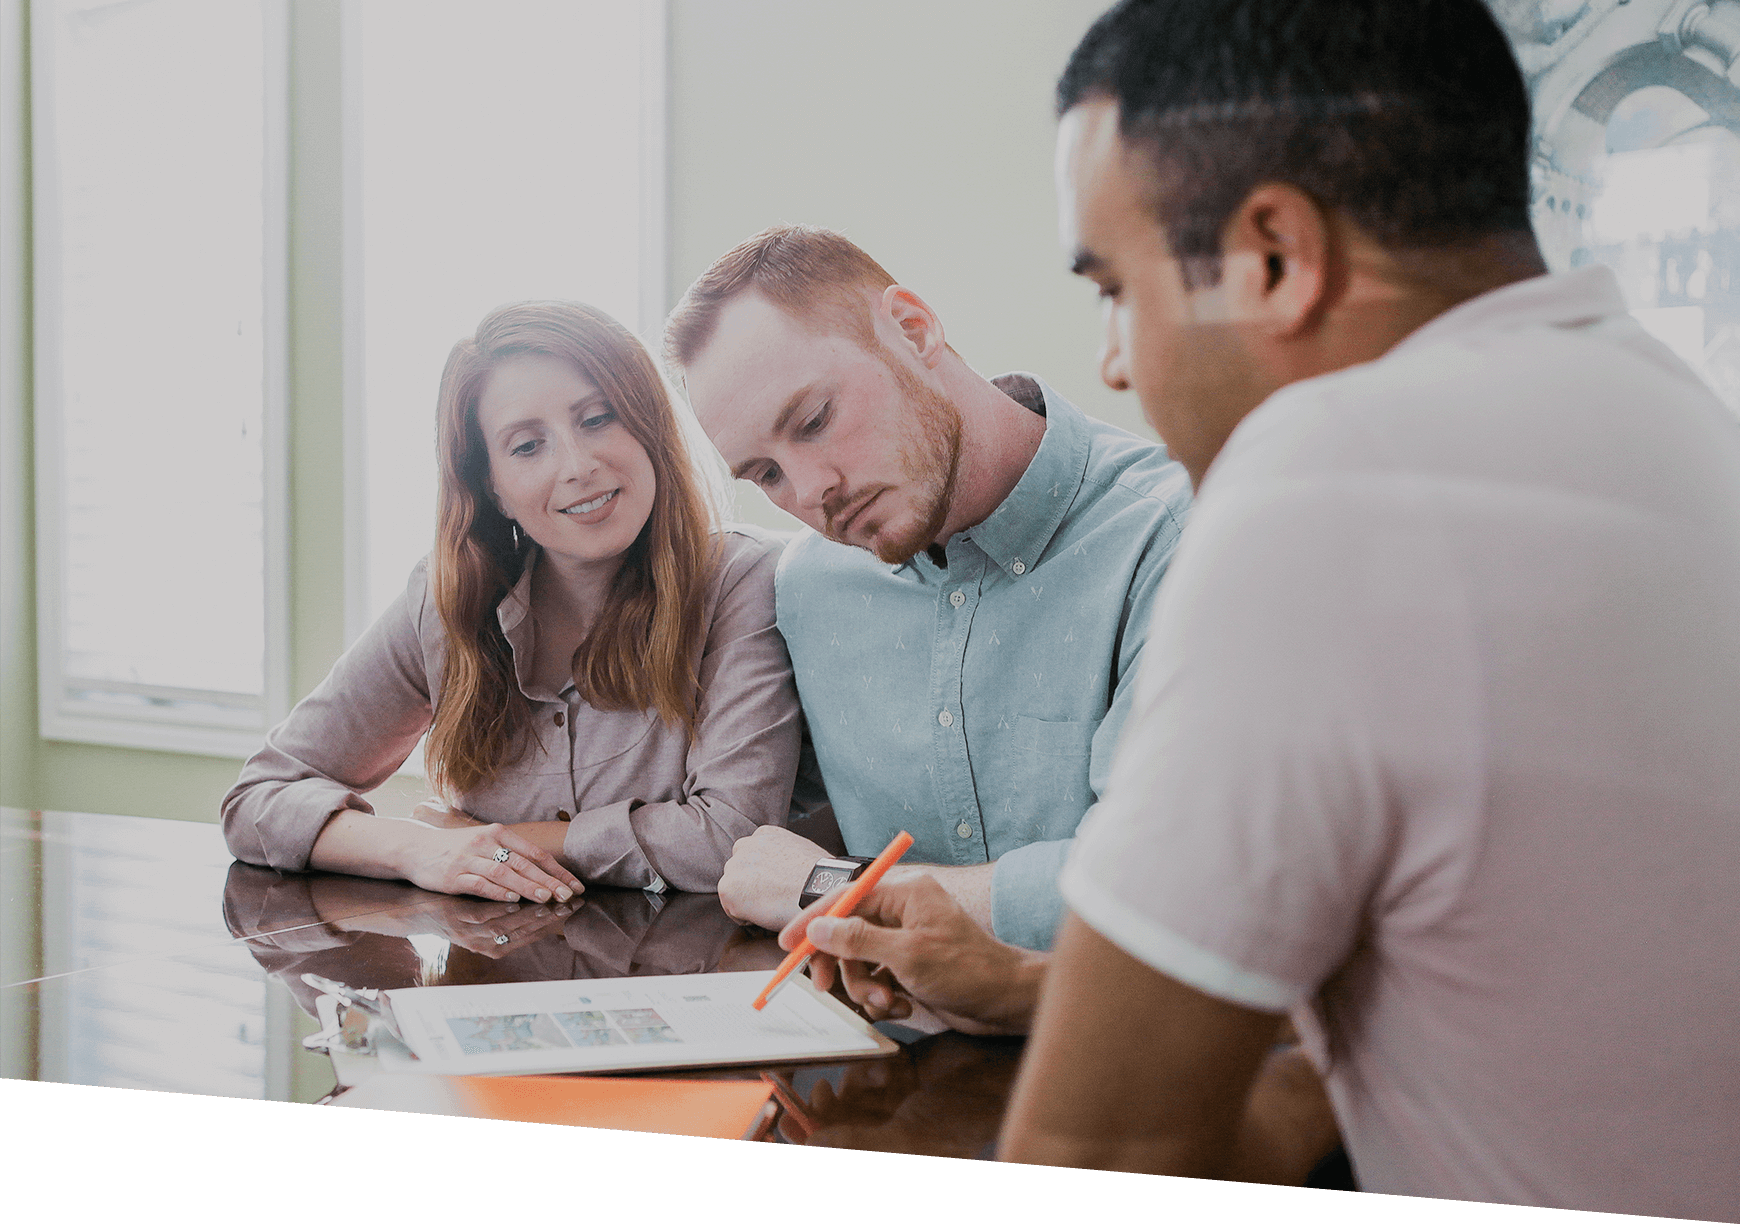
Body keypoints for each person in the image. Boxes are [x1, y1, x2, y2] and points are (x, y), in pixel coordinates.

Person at [790, 0, 1740, 1214]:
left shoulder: (1331, 480)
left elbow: (1101, 1150)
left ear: (1275, 258)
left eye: (1116, 288)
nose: (1116, 365)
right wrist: (1036, 990)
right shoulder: (1669, 414)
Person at [664, 224, 1192, 950]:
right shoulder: (808, 588)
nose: (812, 492)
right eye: (766, 475)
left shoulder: (1173, 541)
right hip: (879, 1053)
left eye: (815, 420)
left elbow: (1163, 886)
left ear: (913, 330)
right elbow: (693, 805)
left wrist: (840, 894)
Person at [223, 301, 803, 902]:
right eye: (527, 446)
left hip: (696, 982)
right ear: (491, 487)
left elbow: (734, 840)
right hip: (492, 973)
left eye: (599, 418)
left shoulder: (741, 581)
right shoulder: (447, 602)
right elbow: (257, 800)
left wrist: (495, 837)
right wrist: (419, 848)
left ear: (649, 423)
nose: (579, 466)